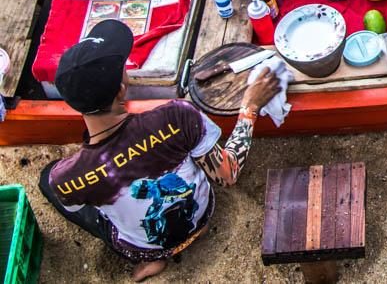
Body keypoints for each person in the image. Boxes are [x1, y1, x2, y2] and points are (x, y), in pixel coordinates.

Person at [38, 20, 280, 282]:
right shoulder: (177, 117)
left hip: (145, 246)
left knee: (46, 179)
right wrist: (250, 107)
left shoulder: (65, 177)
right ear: (122, 88)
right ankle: (182, 238)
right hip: (201, 214)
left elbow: (81, 200)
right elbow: (228, 175)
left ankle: (152, 261)